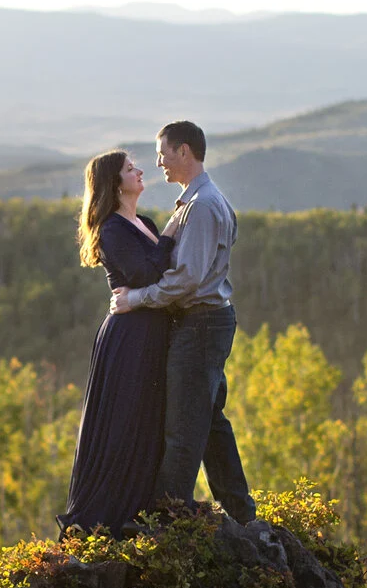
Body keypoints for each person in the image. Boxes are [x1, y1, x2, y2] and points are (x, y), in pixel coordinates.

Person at [109, 120, 261, 536]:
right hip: (203, 322)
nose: (157, 162)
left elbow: (187, 279)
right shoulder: (193, 202)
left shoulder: (204, 205)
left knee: (182, 427)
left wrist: (135, 299)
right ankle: (242, 511)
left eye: (163, 153)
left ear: (185, 152)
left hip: (201, 322)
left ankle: (168, 522)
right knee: (210, 420)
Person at [61, 149, 176, 532]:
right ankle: (108, 519)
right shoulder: (111, 229)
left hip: (150, 330)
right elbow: (146, 274)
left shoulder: (144, 221)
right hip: (130, 337)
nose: (140, 171)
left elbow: (161, 270)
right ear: (114, 183)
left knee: (148, 420)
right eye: (131, 169)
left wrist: (166, 239)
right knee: (125, 423)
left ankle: (142, 507)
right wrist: (172, 236)